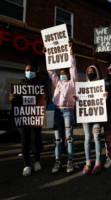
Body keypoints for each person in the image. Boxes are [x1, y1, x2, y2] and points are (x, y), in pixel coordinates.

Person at [9, 58, 48, 176]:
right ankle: (26, 165)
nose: (29, 71)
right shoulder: (20, 84)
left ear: (36, 71)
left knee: (36, 139)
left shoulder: (41, 85)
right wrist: (12, 99)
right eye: (27, 70)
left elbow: (47, 101)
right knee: (24, 140)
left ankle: (37, 161)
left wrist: (47, 99)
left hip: (36, 116)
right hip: (23, 116)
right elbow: (16, 103)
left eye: (31, 69)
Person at [45, 41, 77, 174]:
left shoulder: (72, 83)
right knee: (57, 138)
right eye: (61, 73)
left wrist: (70, 50)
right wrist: (48, 55)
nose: (62, 74)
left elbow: (73, 67)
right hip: (57, 112)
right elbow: (50, 71)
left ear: (69, 74)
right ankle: (58, 161)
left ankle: (70, 160)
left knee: (69, 137)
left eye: (65, 72)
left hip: (68, 112)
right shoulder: (57, 82)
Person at [78, 65, 106, 175]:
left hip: (97, 116)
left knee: (96, 137)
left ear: (97, 72)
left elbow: (104, 100)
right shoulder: (83, 86)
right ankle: (88, 162)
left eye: (92, 71)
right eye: (88, 71)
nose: (90, 72)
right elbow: (80, 100)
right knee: (87, 138)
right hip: (86, 116)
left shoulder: (102, 85)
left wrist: (105, 96)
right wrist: (77, 99)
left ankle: (98, 163)